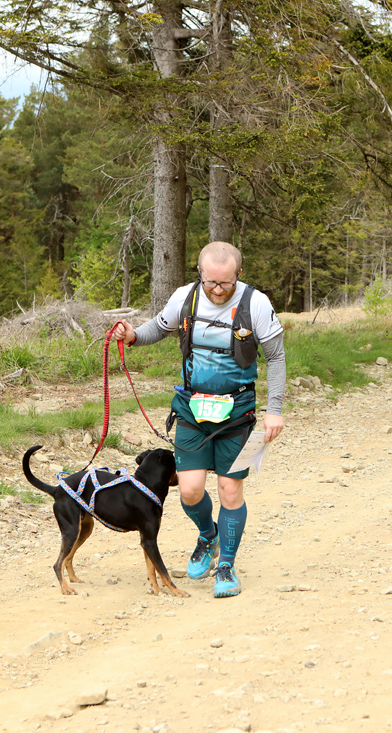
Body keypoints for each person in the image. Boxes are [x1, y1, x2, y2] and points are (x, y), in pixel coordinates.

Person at [109, 241, 286, 597]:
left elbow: (276, 357)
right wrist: (132, 336)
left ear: (239, 274)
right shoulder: (185, 297)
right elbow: (158, 328)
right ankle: (208, 536)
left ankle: (227, 565)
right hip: (191, 407)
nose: (218, 290)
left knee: (229, 489)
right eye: (211, 283)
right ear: (200, 274)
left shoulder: (256, 304)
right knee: (189, 490)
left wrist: (275, 409)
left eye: (226, 283)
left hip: (238, 410)